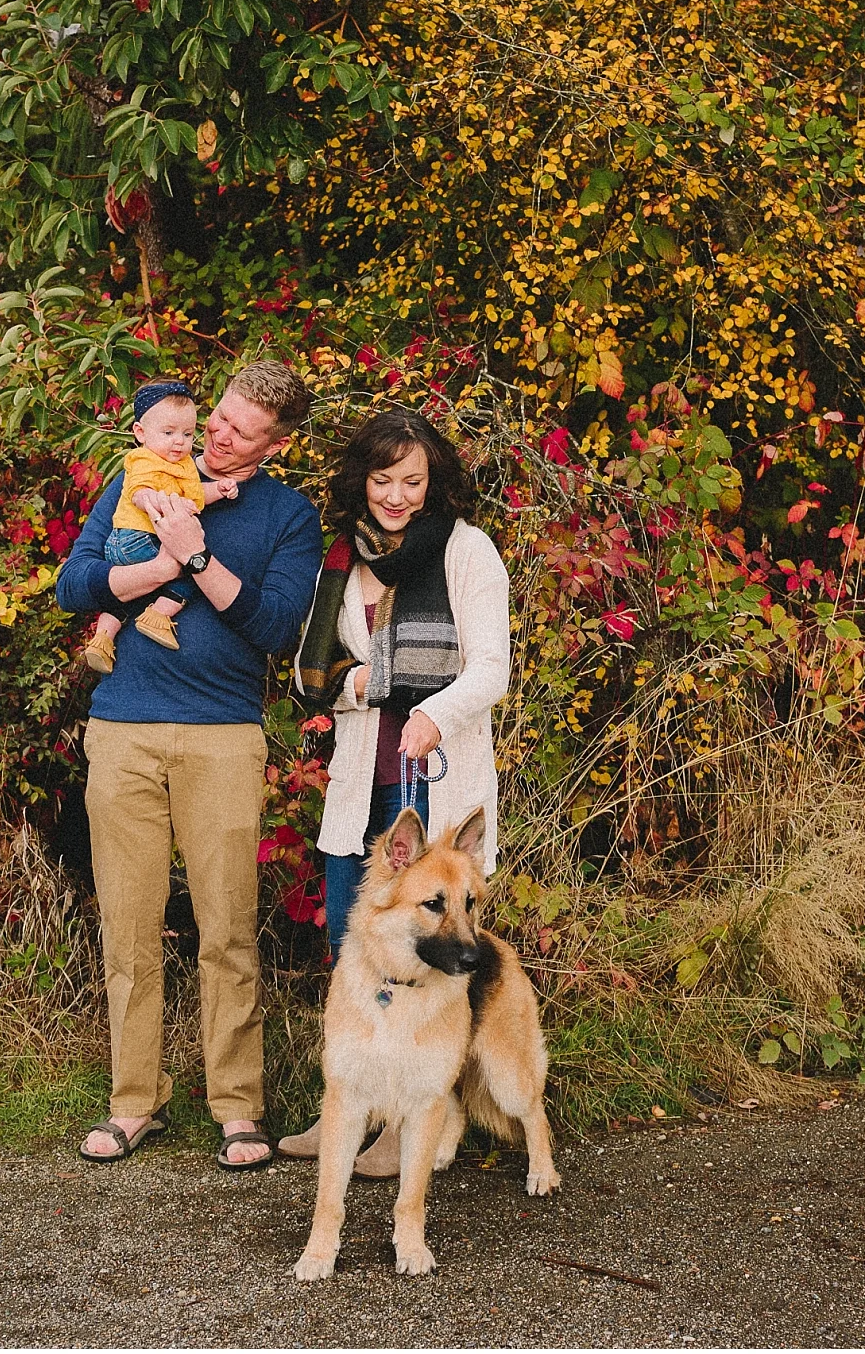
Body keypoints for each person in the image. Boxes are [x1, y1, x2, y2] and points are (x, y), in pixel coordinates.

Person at [56, 359, 322, 1170]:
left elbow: (278, 628)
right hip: (123, 729)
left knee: (227, 931)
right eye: (220, 414)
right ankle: (134, 1103)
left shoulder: (288, 515)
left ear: (273, 444)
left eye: (240, 429)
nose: (217, 431)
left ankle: (238, 1108)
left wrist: (199, 555)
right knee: (129, 928)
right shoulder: (142, 472)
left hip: (222, 737)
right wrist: (161, 565)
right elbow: (75, 582)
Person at [277, 406, 512, 1174]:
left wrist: (434, 714)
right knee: (354, 957)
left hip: (432, 789)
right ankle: (343, 1110)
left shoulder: (467, 552)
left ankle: (402, 1127)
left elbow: (490, 669)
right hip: (360, 785)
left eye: (413, 480)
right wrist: (361, 685)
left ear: (433, 480)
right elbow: (318, 679)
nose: (398, 495)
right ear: (362, 481)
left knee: (424, 967)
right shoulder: (340, 559)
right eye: (383, 479)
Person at [81, 378, 240, 674]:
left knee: (126, 597)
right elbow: (139, 491)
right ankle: (158, 616)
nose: (179, 441)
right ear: (140, 433)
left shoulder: (182, 465)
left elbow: (194, 495)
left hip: (124, 546)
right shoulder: (144, 459)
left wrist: (219, 489)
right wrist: (157, 502)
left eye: (187, 433)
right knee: (196, 569)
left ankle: (102, 639)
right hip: (138, 539)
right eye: (168, 433)